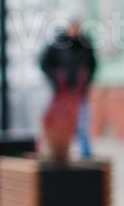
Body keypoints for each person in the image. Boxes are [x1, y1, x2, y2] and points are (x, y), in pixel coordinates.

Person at [40, 20, 97, 158]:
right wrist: (55, 77)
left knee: (82, 122)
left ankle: (86, 152)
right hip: (59, 92)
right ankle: (56, 152)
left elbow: (93, 65)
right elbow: (44, 63)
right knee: (56, 122)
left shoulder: (85, 45)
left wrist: (86, 80)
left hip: (79, 92)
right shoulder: (58, 44)